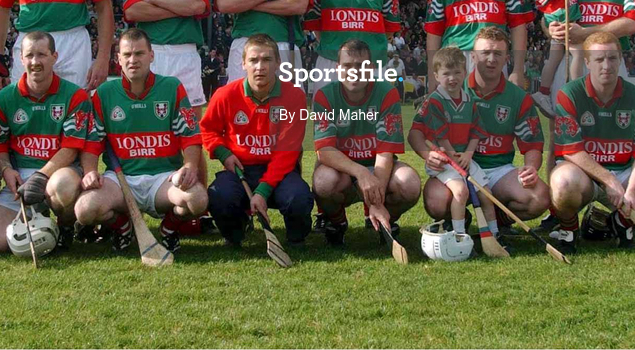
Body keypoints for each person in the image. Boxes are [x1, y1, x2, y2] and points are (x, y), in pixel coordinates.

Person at [537, 0, 635, 235]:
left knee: (616, 135)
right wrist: (553, 29)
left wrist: (588, 33)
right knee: (560, 137)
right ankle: (558, 208)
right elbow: (549, 11)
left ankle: (617, 206)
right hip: (573, 62)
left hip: (612, 63)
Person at [547, 31, 635, 254]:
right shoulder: (570, 94)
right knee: (563, 183)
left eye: (612, 58)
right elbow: (571, 151)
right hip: (585, 174)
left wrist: (630, 190)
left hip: (625, 172)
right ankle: (569, 229)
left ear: (620, 60)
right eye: (599, 59)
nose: (606, 65)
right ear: (587, 62)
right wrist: (609, 179)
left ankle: (619, 222)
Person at [75, 29, 208, 253]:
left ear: (151, 55)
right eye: (127, 55)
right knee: (85, 210)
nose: (133, 60)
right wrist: (89, 171)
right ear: (118, 59)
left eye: (139, 53)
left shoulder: (171, 87)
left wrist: (190, 166)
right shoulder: (104, 93)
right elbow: (92, 142)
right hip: (120, 179)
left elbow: (190, 135)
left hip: (163, 180)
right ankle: (123, 227)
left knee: (197, 200)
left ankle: (169, 228)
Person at [121, 0, 213, 231]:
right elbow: (132, 9)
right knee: (147, 123)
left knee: (192, 133)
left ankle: (197, 212)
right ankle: (145, 194)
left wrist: (155, 0)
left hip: (186, 55)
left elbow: (198, 5)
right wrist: (176, 2)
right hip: (152, 53)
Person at [412, 27, 550, 234]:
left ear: (506, 58)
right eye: (485, 53)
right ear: (474, 56)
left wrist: (531, 168)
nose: (491, 59)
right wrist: (426, 154)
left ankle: (497, 222)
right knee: (436, 203)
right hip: (454, 166)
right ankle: (462, 219)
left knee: (538, 197)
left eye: (498, 53)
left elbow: (532, 143)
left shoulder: (518, 97)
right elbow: (415, 131)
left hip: (498, 169)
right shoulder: (450, 89)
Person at [0, 31, 93, 256]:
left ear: (54, 57)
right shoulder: (4, 99)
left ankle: (66, 226)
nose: (35, 62)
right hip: (18, 181)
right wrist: (7, 170)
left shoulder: (75, 96)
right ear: (21, 59)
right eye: (29, 55)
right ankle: (26, 221)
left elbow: (71, 148)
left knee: (62, 186)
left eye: (42, 55)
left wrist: (41, 177)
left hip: (58, 172)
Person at [200, 33, 312, 247]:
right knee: (219, 195)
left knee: (298, 198)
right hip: (240, 169)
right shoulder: (225, 95)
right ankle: (236, 230)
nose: (260, 66)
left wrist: (262, 192)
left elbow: (287, 152)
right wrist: (224, 154)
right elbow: (208, 129)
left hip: (279, 170)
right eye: (253, 60)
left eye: (267, 60)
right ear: (243, 63)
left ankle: (296, 237)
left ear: (278, 63)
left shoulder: (295, 96)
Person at [311, 39, 420, 245]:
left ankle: (383, 220)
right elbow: (324, 151)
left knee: (409, 183)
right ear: (337, 69)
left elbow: (386, 150)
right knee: (323, 182)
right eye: (347, 66)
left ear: (370, 68)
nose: (354, 72)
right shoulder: (325, 95)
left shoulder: (386, 92)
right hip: (342, 171)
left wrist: (376, 200)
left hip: (378, 167)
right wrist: (360, 172)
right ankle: (337, 222)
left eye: (361, 66)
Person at [411, 46, 482, 235]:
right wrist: (428, 155)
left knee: (485, 192)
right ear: (436, 75)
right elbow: (416, 133)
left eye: (457, 72)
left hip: (468, 160)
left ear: (465, 72)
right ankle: (457, 228)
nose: (452, 78)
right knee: (451, 194)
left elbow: (476, 130)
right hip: (447, 162)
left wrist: (467, 153)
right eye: (446, 73)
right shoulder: (434, 101)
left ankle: (494, 229)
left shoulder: (469, 100)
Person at [530, 0, 582, 117]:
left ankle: (543, 91)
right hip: (562, 19)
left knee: (554, 59)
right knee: (578, 52)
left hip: (560, 20)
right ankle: (578, 89)